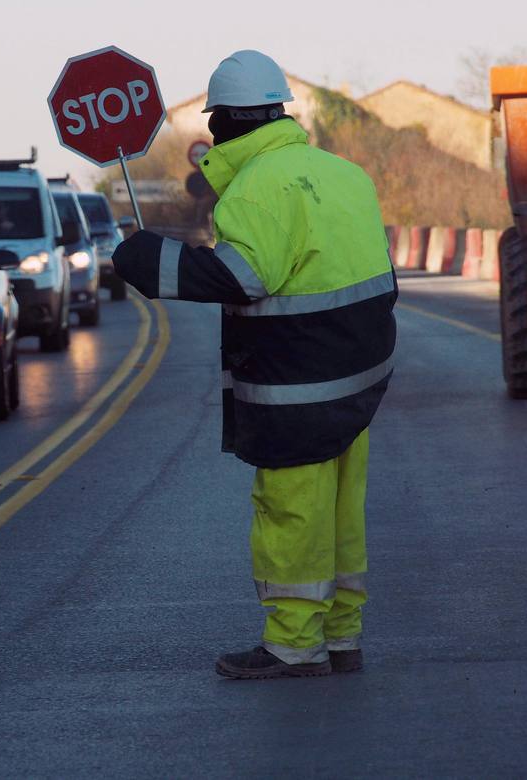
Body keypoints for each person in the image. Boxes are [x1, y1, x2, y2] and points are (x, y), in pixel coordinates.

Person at [111, 50, 397, 679]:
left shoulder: (255, 187)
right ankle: (342, 637)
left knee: (291, 514)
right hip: (358, 381)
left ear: (229, 123)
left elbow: (243, 277)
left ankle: (294, 646)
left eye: (216, 123)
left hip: (297, 385)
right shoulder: (343, 173)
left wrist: (147, 262)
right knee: (342, 513)